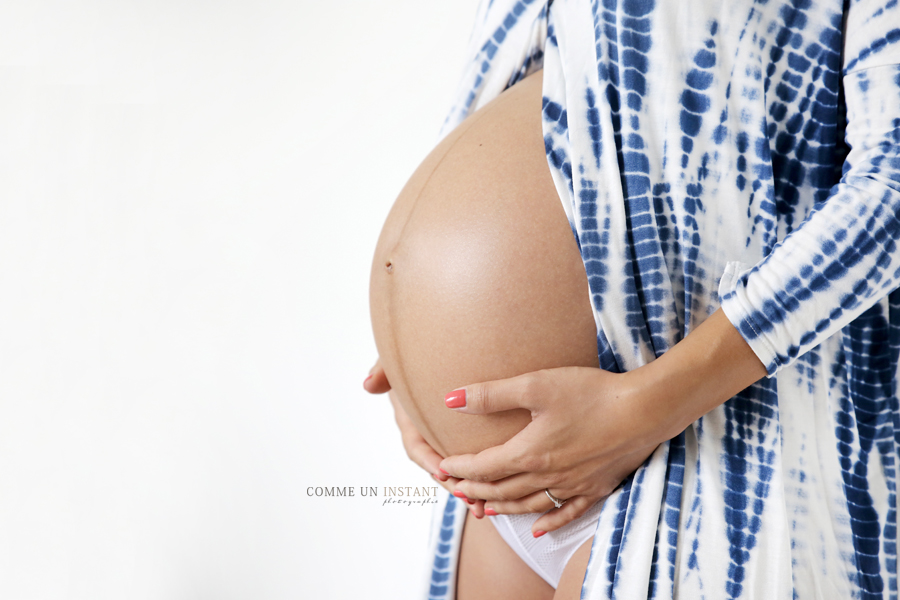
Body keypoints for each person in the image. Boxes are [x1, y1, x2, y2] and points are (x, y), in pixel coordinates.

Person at [367, 0, 900, 598]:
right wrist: (422, 346)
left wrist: (640, 410)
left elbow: (892, 192)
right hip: (499, 486)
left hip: (703, 447)